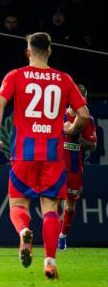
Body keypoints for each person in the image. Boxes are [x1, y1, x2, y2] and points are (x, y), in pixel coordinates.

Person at [0, 32, 89, 280]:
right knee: (51, 208)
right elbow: (84, 114)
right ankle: (50, 263)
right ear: (50, 51)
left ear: (28, 52)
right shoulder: (64, 79)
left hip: (24, 152)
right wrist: (71, 129)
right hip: (53, 154)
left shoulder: (16, 75)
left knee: (18, 205)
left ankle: (24, 232)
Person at [58, 84, 97, 252]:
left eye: (84, 97)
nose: (82, 101)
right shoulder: (58, 115)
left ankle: (62, 236)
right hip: (56, 167)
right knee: (52, 201)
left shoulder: (88, 120)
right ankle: (52, 236)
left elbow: (92, 146)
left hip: (74, 169)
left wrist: (77, 137)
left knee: (69, 206)